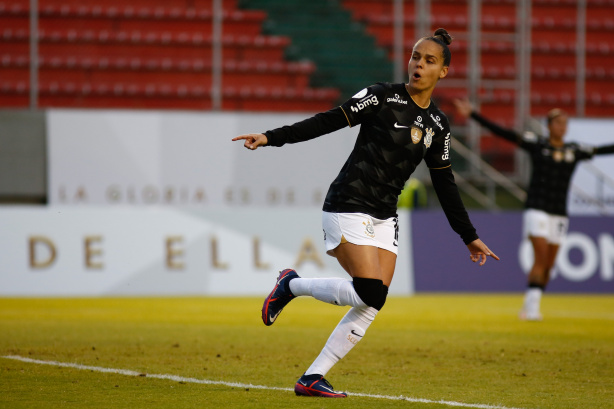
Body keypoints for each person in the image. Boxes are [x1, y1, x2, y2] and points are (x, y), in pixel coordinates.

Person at [232, 28, 499, 398]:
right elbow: (327, 121)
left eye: (429, 60)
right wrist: (271, 136)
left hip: (384, 216)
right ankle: (290, 286)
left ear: (444, 72)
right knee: (370, 291)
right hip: (349, 202)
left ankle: (312, 377)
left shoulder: (438, 125)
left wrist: (468, 236)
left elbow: (445, 184)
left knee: (375, 300)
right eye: (415, 57)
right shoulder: (381, 96)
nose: (418, 64)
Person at [453, 98, 614, 321]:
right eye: (558, 123)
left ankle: (529, 305)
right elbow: (503, 133)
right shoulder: (538, 145)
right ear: (549, 126)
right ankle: (532, 310)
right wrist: (473, 114)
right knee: (540, 258)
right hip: (536, 208)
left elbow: (603, 149)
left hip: (559, 213)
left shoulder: (574, 150)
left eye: (565, 123)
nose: (562, 127)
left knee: (549, 265)